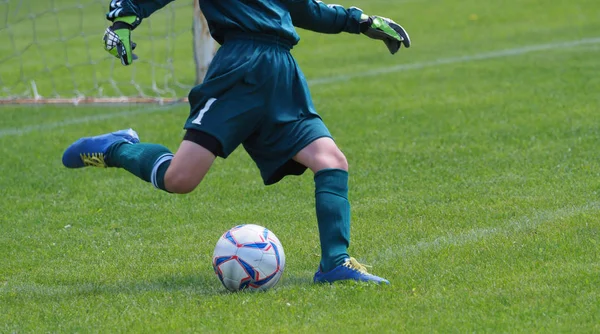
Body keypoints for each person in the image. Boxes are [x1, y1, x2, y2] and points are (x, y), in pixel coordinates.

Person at [63, 0, 410, 284]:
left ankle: (335, 263)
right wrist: (126, 17)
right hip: (240, 67)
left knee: (330, 160)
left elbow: (306, 10)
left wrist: (362, 22)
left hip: (281, 71)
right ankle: (118, 147)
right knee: (180, 179)